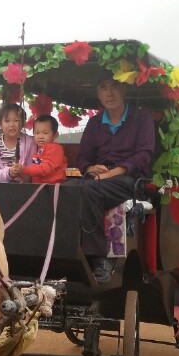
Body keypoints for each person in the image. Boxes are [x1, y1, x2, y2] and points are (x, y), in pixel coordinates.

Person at [77, 72, 156, 282]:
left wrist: (113, 172)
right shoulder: (94, 123)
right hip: (98, 179)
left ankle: (100, 257)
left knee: (89, 189)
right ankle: (69, 249)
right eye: (104, 87)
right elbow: (83, 157)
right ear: (98, 94)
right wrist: (91, 168)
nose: (109, 93)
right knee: (67, 189)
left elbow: (144, 155)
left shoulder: (141, 118)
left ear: (124, 89)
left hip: (131, 180)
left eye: (114, 86)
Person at [0, 102, 36, 182]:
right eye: (7, 121)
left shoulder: (30, 143)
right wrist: (9, 173)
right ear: (0, 124)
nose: (12, 124)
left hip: (26, 189)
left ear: (23, 122)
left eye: (16, 120)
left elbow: (33, 169)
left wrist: (23, 175)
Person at [10, 114, 67, 185]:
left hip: (52, 187)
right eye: (37, 133)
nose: (40, 136)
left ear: (55, 135)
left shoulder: (55, 149)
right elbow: (35, 170)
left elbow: (45, 169)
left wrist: (24, 169)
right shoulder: (39, 149)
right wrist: (22, 175)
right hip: (40, 186)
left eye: (45, 133)